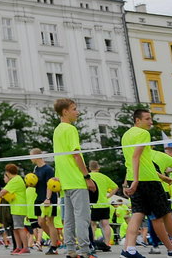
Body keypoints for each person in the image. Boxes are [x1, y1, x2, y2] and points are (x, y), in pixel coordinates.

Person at [119, 109, 172, 258]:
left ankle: (129, 249)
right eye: (147, 119)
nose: (151, 122)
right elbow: (136, 157)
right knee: (166, 214)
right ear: (138, 120)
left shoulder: (126, 135)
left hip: (133, 177)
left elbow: (131, 161)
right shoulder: (143, 133)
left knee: (137, 214)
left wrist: (129, 181)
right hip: (147, 180)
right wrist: (136, 180)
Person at [53, 98, 94, 258]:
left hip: (64, 181)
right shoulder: (70, 129)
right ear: (65, 111)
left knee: (68, 219)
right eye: (74, 109)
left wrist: (58, 178)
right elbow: (76, 155)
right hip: (76, 180)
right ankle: (85, 251)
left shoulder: (57, 130)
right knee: (82, 218)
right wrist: (87, 176)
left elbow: (58, 157)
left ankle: (71, 250)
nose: (77, 112)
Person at [31, 149, 60, 254]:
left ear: (36, 156)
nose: (30, 158)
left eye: (31, 156)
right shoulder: (35, 169)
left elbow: (50, 184)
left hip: (49, 198)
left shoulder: (48, 169)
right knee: (41, 222)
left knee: (49, 222)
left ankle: (54, 246)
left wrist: (48, 199)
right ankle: (55, 240)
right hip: (38, 198)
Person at [88, 161, 117, 252]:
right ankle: (107, 243)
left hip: (93, 204)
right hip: (104, 203)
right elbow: (115, 187)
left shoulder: (87, 176)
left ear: (89, 168)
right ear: (98, 167)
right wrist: (109, 196)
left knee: (92, 225)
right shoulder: (104, 177)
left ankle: (92, 244)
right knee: (105, 224)